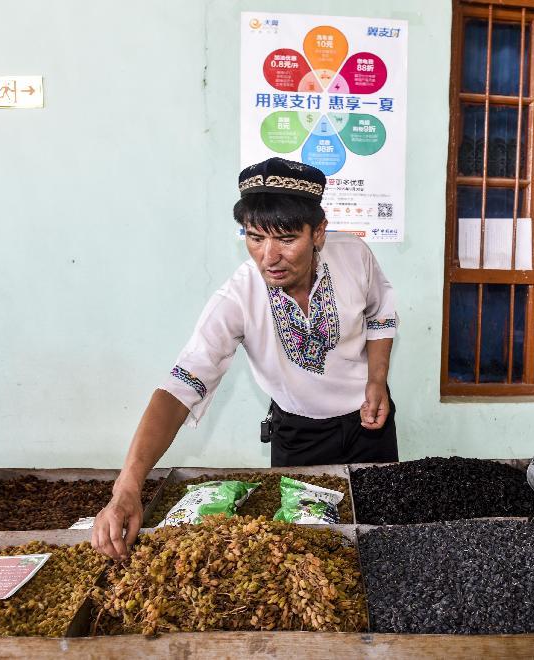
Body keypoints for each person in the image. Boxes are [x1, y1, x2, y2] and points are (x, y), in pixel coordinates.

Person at [92, 157, 399, 558]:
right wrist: (127, 487)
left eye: (286, 239)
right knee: (305, 556)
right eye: (254, 237)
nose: (268, 256)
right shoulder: (239, 296)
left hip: (369, 426)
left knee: (382, 545)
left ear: (318, 232)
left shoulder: (354, 255)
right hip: (299, 439)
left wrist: (377, 379)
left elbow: (380, 313)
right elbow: (178, 389)